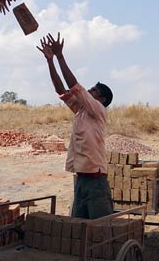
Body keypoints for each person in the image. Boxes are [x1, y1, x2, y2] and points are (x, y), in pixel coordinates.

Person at [36, 32, 114, 219]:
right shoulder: (80, 110)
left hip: (96, 180)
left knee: (99, 227)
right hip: (80, 178)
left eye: (93, 90)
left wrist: (61, 56)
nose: (89, 90)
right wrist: (50, 61)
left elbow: (74, 84)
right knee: (78, 225)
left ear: (101, 99)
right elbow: (61, 90)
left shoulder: (98, 110)